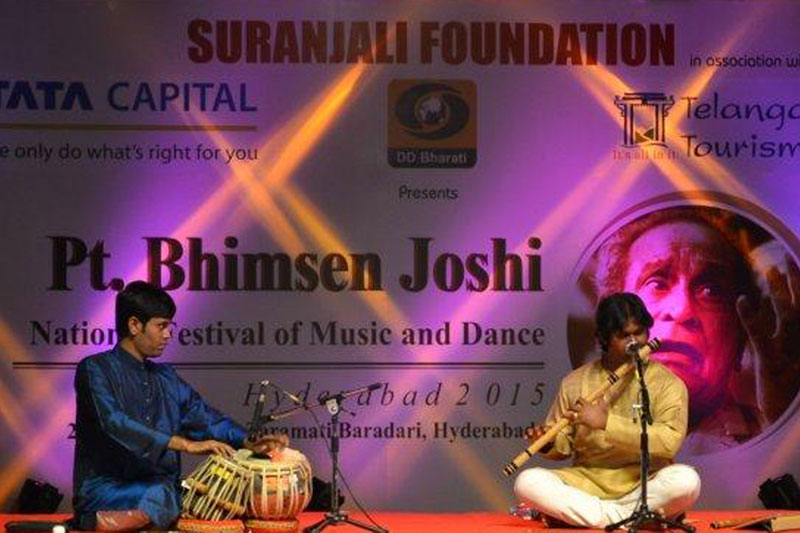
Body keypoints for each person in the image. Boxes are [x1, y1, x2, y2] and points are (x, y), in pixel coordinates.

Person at [72, 281, 289, 531]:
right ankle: (90, 525)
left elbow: (205, 418)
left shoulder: (166, 378)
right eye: (161, 326)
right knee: (164, 495)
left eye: (170, 326)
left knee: (192, 491)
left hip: (161, 488)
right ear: (134, 325)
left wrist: (248, 441)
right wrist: (184, 444)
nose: (168, 335)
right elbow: (114, 422)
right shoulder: (95, 369)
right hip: (105, 490)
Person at [580, 206, 800, 453]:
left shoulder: (778, 431)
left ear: (739, 341)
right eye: (657, 284)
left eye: (710, 291)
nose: (682, 309)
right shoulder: (572, 435)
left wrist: (785, 425)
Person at [515, 292, 701, 529]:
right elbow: (563, 447)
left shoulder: (667, 383)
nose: (634, 342)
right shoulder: (575, 382)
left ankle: (594, 518)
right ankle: (630, 518)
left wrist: (606, 423)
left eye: (639, 333)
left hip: (643, 484)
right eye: (624, 336)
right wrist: (548, 442)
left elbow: (669, 442)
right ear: (604, 338)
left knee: (687, 481)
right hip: (587, 483)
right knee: (527, 482)